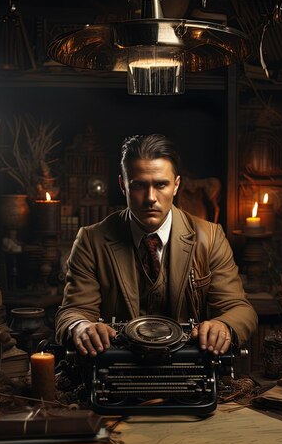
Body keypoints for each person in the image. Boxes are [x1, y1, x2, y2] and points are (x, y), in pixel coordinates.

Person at [55, 133, 257, 355]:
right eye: (139, 185)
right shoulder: (91, 241)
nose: (151, 197)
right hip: (118, 367)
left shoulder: (210, 237)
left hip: (188, 367)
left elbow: (240, 310)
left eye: (161, 185)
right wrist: (81, 327)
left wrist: (224, 325)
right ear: (123, 186)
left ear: (176, 185)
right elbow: (72, 312)